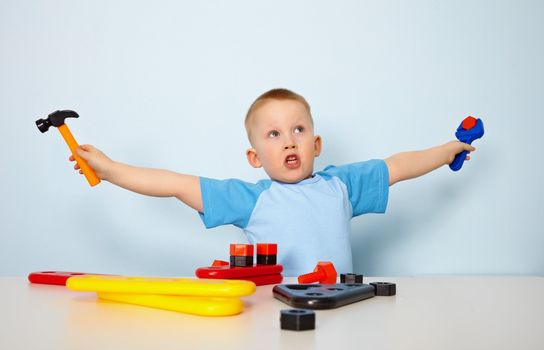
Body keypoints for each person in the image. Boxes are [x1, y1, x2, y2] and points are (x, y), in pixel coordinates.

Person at [70, 88, 476, 276]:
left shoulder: (342, 186)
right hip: (274, 316)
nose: (289, 141)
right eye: (274, 135)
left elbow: (398, 165)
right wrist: (110, 169)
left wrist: (448, 149)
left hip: (339, 310)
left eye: (298, 130)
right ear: (254, 157)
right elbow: (175, 183)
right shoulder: (250, 199)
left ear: (316, 144)